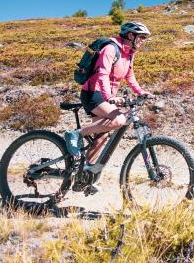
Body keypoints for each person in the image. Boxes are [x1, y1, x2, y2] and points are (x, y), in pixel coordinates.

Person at [64, 21, 153, 171]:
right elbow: (102, 73)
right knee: (119, 120)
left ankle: (84, 171)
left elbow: (129, 76)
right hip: (93, 93)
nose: (143, 41)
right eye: (141, 37)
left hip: (105, 95)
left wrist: (140, 92)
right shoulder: (111, 49)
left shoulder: (129, 54)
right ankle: (75, 134)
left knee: (102, 137)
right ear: (131, 35)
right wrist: (109, 96)